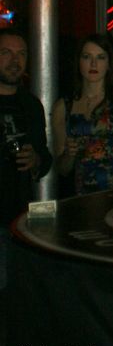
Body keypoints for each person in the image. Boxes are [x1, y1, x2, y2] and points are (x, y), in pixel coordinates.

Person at [51, 33, 113, 194]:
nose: (93, 64)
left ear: (109, 63)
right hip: (86, 194)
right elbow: (62, 169)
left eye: (100, 57)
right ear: (78, 62)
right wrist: (69, 155)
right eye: (87, 57)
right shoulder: (63, 107)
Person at [0, 29, 52, 288]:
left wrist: (36, 160)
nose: (15, 60)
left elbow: (45, 157)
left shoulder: (31, 105)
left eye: (21, 54)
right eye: (6, 53)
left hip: (20, 219)